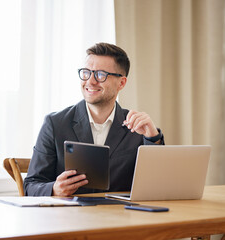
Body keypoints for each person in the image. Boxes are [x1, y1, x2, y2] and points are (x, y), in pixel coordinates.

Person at [24, 43, 164, 196]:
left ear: (121, 83)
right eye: (86, 73)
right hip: (71, 217)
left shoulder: (137, 127)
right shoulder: (55, 124)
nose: (90, 81)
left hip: (121, 217)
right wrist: (54, 189)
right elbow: (31, 185)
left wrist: (152, 138)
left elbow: (157, 185)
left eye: (100, 74)